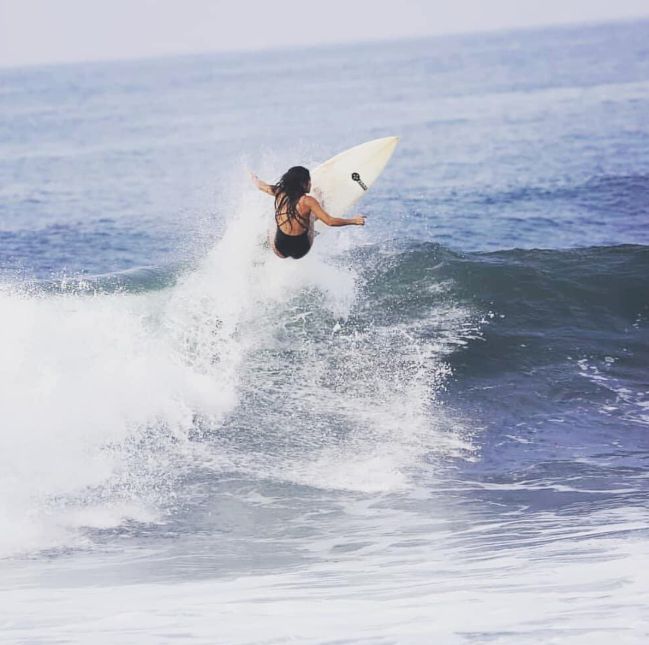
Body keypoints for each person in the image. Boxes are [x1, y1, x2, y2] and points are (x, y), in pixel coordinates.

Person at [250, 166, 365, 259]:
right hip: (301, 250)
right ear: (303, 184)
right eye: (309, 181)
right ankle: (321, 203)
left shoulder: (279, 192)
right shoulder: (308, 201)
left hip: (279, 250)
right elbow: (330, 221)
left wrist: (254, 178)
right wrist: (354, 220)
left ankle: (267, 243)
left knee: (275, 220)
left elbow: (260, 185)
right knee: (312, 214)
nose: (311, 184)